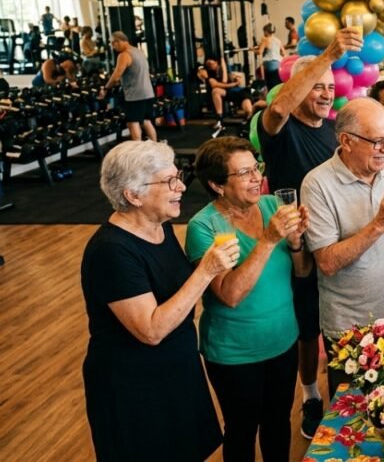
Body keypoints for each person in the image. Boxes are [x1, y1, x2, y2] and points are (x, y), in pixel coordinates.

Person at [81, 141, 227, 461]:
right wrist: (206, 271)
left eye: (179, 177)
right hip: (134, 388)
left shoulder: (160, 227)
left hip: (177, 371)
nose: (180, 188)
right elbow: (150, 330)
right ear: (133, 195)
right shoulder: (111, 250)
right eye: (168, 181)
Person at [257, 28, 362, 439]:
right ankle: (309, 394)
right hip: (296, 248)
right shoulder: (279, 130)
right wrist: (328, 55)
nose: (324, 93)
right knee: (307, 328)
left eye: (330, 87)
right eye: (315, 86)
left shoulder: (333, 129)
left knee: (338, 318)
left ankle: (347, 390)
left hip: (336, 242)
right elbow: (280, 107)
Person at [185, 137, 311, 462]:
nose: (256, 178)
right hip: (235, 352)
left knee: (277, 424)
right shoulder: (204, 227)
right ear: (217, 184)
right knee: (242, 430)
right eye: (244, 173)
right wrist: (269, 239)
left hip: (283, 339)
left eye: (257, 168)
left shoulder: (272, 205)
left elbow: (301, 272)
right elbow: (230, 295)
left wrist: (296, 244)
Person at [302, 97, 384, 398]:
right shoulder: (317, 185)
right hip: (352, 329)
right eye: (377, 141)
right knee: (354, 425)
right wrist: (379, 224)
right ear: (346, 140)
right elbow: (327, 262)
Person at [101, 31, 157, 142]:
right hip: (148, 93)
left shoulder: (124, 55)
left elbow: (116, 76)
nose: (113, 47)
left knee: (133, 123)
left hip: (135, 95)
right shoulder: (139, 52)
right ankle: (155, 146)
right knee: (146, 121)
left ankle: (137, 151)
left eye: (113, 43)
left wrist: (105, 88)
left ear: (119, 41)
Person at [202, 57, 254, 132]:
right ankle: (219, 120)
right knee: (215, 91)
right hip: (227, 92)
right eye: (207, 65)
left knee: (248, 109)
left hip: (239, 92)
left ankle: (249, 122)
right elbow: (222, 83)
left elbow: (229, 79)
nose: (210, 66)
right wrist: (234, 84)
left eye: (211, 63)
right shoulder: (210, 76)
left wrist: (225, 67)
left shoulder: (225, 68)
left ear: (217, 62)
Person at [254, 23, 285, 90]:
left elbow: (259, 52)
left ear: (266, 31)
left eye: (264, 31)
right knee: (276, 83)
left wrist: (252, 50)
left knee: (258, 72)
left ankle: (262, 88)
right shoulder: (278, 40)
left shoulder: (265, 39)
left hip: (269, 64)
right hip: (278, 64)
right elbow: (283, 53)